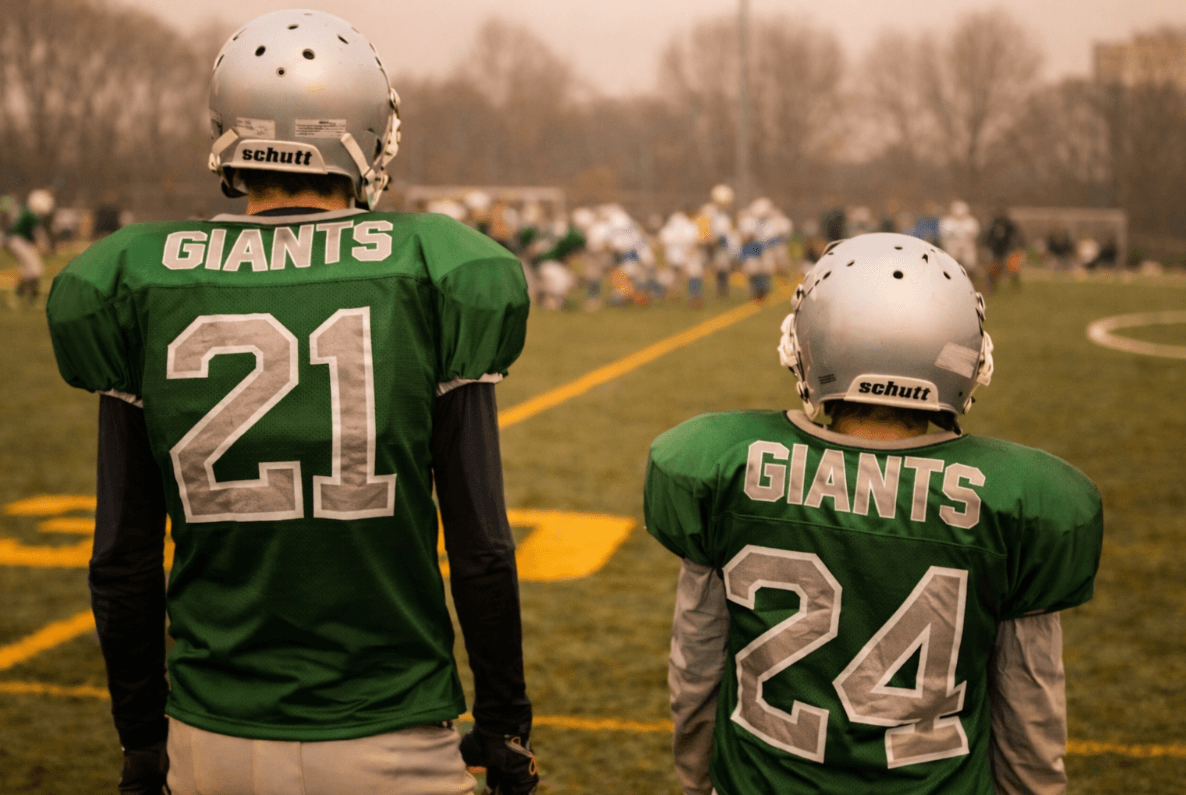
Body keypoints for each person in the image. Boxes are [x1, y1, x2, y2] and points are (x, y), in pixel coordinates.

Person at [46, 10, 538, 795]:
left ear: (229, 133)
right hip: (390, 729)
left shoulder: (138, 278)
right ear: (364, 130)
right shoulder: (432, 265)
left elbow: (122, 560)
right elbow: (481, 547)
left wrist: (142, 738)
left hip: (211, 736)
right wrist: (506, 720)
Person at [643, 232, 1103, 795]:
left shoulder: (723, 464)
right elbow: (1028, 707)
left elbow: (696, 666)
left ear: (814, 344)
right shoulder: (1022, 500)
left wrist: (697, 780)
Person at [4, 188, 54, 306]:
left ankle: (21, 294)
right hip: (17, 241)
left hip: (15, 240)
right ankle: (29, 295)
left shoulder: (27, 211)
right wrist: (45, 245)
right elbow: (38, 233)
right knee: (36, 268)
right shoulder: (31, 215)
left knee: (29, 268)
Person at [984, 202, 1022, 292]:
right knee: (993, 271)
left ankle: (1016, 288)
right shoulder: (993, 223)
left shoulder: (1010, 223)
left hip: (1008, 249)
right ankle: (992, 288)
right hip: (996, 250)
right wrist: (988, 247)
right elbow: (988, 237)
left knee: (1013, 270)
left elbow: (1015, 236)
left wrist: (1014, 248)